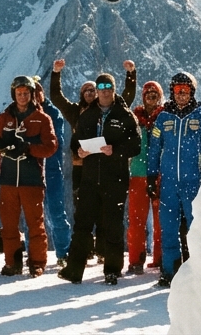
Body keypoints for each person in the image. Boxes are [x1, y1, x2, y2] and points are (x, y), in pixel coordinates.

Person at [58, 74, 141, 286]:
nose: (104, 90)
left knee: (113, 225)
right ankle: (74, 270)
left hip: (115, 179)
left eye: (108, 87)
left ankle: (112, 271)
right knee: (82, 226)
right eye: (101, 86)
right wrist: (79, 152)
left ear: (114, 89)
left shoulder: (125, 115)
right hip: (89, 179)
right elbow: (75, 142)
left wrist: (116, 150)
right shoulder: (87, 115)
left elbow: (136, 145)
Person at [147, 72, 201, 288]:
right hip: (168, 183)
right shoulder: (163, 118)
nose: (181, 95)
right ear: (172, 92)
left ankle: (200, 272)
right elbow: (154, 149)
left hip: (193, 183)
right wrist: (152, 176)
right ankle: (170, 272)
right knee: (168, 229)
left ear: (192, 93)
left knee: (197, 229)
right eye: (177, 90)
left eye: (185, 91)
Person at [0, 75, 59, 277]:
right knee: (9, 224)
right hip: (8, 179)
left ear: (32, 94)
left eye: (25, 93)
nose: (22, 96)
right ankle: (12, 263)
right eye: (19, 93)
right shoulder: (5, 117)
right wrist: (3, 148)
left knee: (35, 224)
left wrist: (29, 148)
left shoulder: (42, 118)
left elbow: (51, 146)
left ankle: (37, 262)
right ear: (14, 94)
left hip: (31, 179)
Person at [127, 80, 166, 274]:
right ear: (143, 97)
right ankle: (136, 260)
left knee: (162, 220)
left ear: (160, 96)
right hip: (138, 174)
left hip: (160, 174)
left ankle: (159, 258)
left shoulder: (166, 117)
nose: (151, 97)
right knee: (136, 220)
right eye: (148, 94)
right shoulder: (135, 118)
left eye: (155, 94)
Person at [33, 82, 72, 266]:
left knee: (57, 211)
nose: (36, 95)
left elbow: (57, 141)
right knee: (33, 214)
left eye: (38, 91)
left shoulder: (53, 112)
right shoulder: (28, 113)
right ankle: (33, 251)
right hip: (33, 168)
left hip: (52, 168)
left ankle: (64, 252)